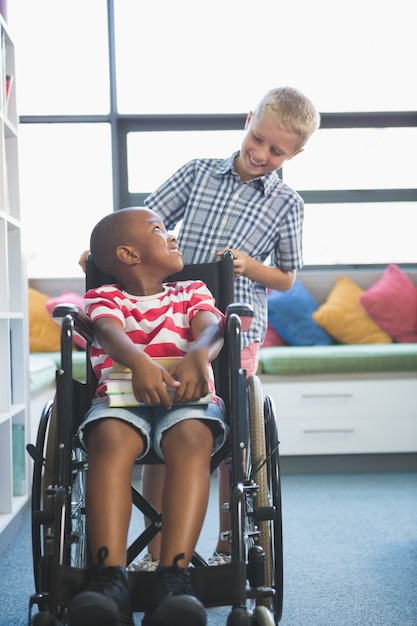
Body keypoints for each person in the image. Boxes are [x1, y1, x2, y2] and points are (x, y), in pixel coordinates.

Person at [78, 85, 320, 560]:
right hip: (167, 320)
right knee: (163, 423)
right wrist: (104, 257)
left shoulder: (287, 203)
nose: (262, 154)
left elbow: (287, 277)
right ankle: (156, 549)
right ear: (249, 120)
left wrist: (248, 266)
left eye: (277, 151)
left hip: (234, 326)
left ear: (296, 153)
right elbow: (143, 224)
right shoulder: (198, 173)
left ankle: (228, 542)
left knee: (229, 435)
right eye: (258, 140)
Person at [69, 207, 228, 626]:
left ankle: (173, 579)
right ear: (129, 254)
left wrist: (197, 353)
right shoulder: (104, 297)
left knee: (194, 438)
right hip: (121, 400)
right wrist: (139, 362)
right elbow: (107, 331)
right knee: (108, 438)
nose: (171, 236)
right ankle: (110, 579)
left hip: (187, 400)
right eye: (159, 230)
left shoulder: (192, 290)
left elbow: (212, 327)